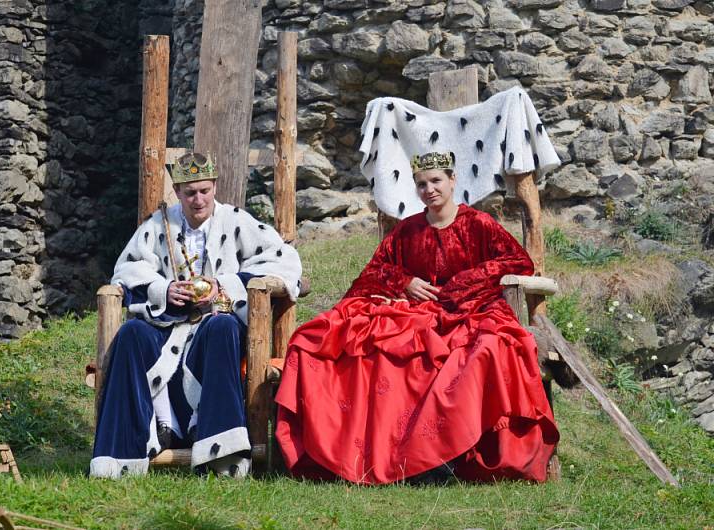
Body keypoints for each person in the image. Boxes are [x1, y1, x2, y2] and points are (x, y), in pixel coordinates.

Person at [275, 151, 559, 484]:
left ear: (453, 181)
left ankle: (451, 456)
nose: (429, 189)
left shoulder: (478, 224)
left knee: (483, 351)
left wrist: (463, 283)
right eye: (422, 184)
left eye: (436, 181)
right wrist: (403, 281)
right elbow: (373, 273)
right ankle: (386, 457)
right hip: (415, 314)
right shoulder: (408, 230)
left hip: (471, 310)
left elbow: (516, 261)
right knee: (362, 347)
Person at [90, 152, 302, 479]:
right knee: (131, 335)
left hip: (214, 322)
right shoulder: (159, 224)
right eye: (190, 193)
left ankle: (221, 453)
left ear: (215, 186)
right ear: (177, 192)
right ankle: (122, 458)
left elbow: (285, 263)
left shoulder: (236, 221)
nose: (198, 199)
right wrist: (164, 290)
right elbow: (126, 270)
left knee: (223, 328)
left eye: (204, 190)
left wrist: (226, 285)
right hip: (167, 324)